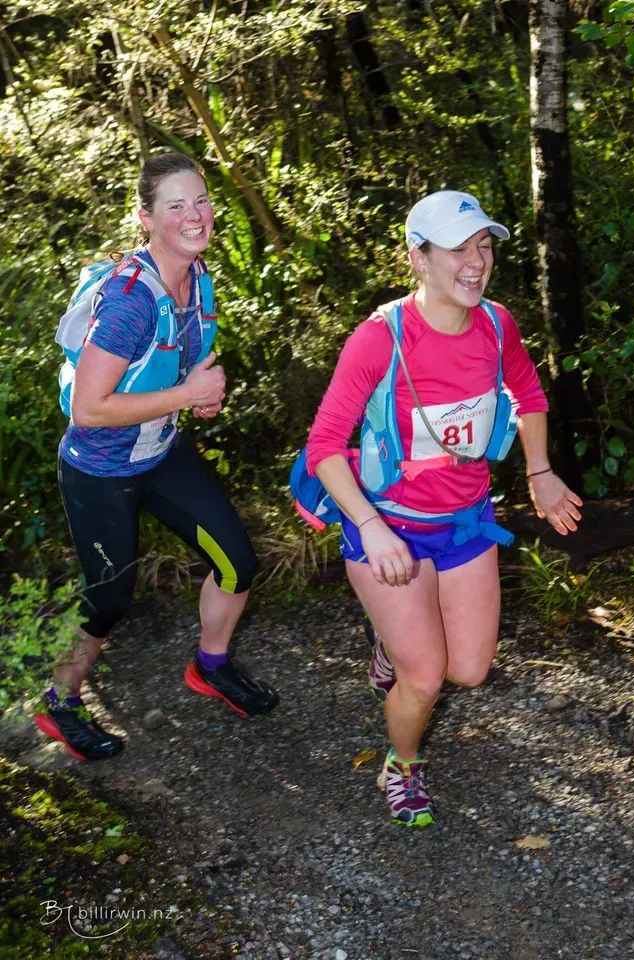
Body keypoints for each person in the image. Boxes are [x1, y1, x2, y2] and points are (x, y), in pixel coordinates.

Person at [303, 190, 582, 827]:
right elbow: (324, 447)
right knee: (426, 679)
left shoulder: (495, 324)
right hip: (389, 529)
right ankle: (403, 766)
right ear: (418, 258)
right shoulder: (380, 338)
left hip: (464, 524)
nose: (476, 261)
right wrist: (370, 528)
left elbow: (529, 389)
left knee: (471, 670)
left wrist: (539, 471)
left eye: (483, 245)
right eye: (458, 248)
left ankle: (389, 649)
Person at [36, 153, 278, 761]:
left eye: (201, 201)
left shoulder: (198, 280)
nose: (195, 216)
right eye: (176, 206)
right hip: (100, 468)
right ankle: (59, 701)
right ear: (146, 218)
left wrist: (198, 393)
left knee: (237, 563)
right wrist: (186, 394)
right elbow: (88, 408)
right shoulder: (128, 303)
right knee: (109, 600)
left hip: (159, 452)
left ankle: (211, 666)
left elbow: (181, 367)